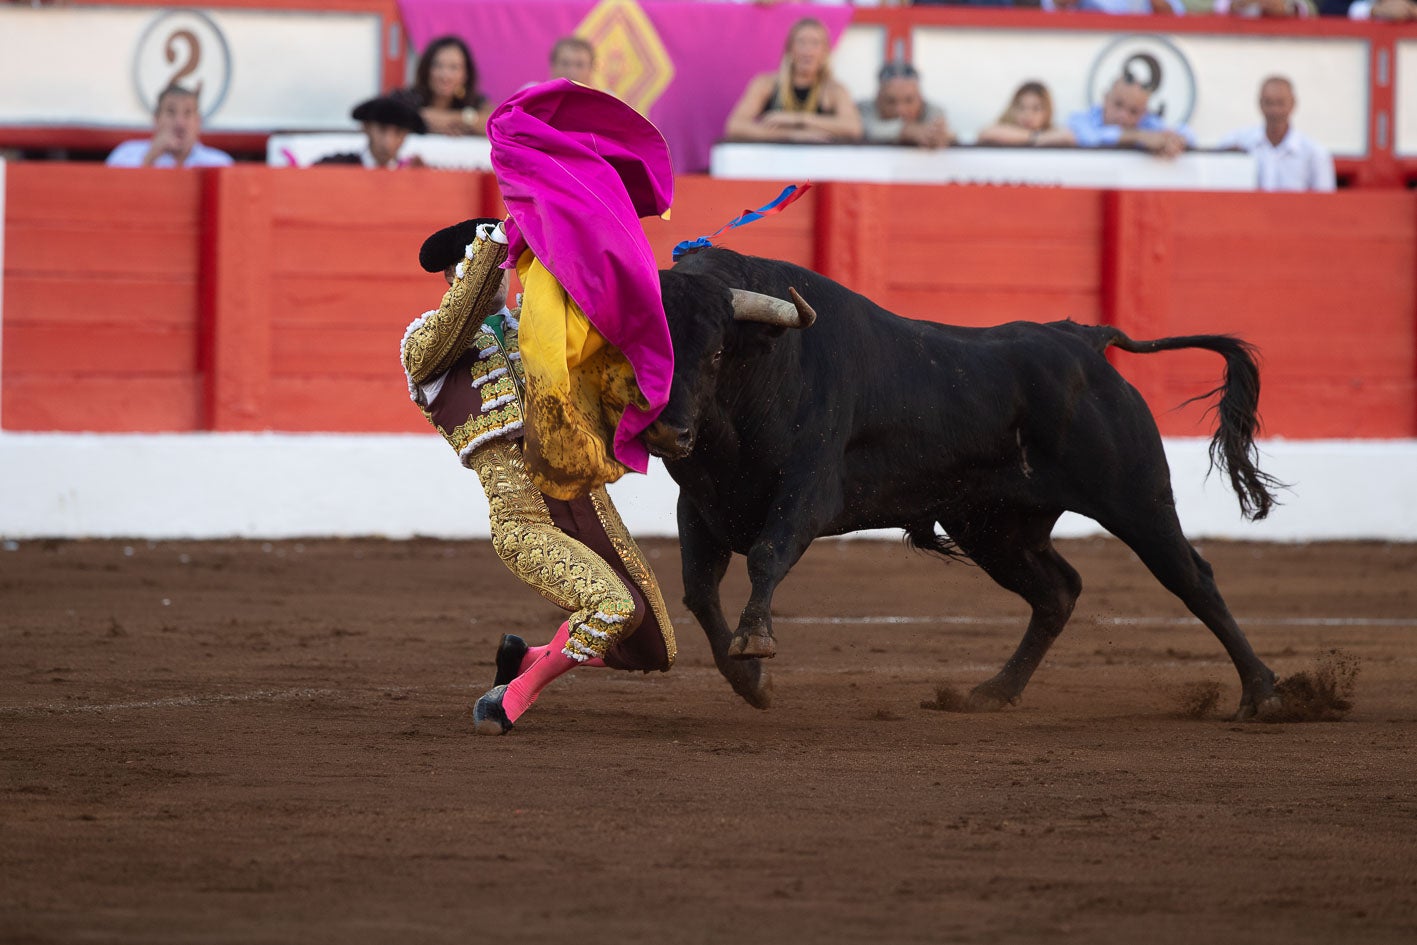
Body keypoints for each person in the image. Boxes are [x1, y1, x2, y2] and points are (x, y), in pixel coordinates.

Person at [401, 80, 680, 735]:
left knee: (650, 644)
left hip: (580, 498)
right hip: (522, 516)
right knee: (611, 608)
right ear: (460, 273)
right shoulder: (421, 344)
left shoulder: (539, 327)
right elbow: (455, 324)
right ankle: (515, 693)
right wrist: (501, 235)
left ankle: (523, 655)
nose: (507, 274)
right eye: (492, 266)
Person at [722, 17, 862, 144]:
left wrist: (797, 119)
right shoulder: (766, 84)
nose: (807, 50)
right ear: (789, 48)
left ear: (825, 51)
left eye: (815, 43)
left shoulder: (834, 90)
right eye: (801, 42)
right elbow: (735, 126)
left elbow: (853, 128)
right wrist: (791, 134)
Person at [1217, 76, 1335, 192]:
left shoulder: (1314, 153)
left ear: (1293, 104)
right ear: (1260, 104)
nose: (1274, 110)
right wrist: (1231, 159)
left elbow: (1325, 202)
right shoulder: (1237, 142)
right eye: (1269, 103)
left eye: (1280, 103)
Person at [105, 84, 233, 168]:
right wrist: (150, 158)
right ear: (156, 119)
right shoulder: (125, 154)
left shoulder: (219, 163)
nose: (180, 123)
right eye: (171, 112)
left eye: (188, 113)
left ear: (198, 122)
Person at [1066, 75, 1193, 158]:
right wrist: (1138, 136)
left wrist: (1174, 140)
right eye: (1118, 104)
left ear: (1144, 113)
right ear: (1105, 98)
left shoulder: (1148, 123)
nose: (1123, 115)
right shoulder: (1081, 120)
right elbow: (1090, 139)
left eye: (1134, 111)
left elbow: (1188, 133)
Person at [396, 35, 488, 136]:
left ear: (466, 74)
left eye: (454, 67)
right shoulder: (407, 99)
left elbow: (496, 123)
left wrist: (454, 119)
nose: (445, 76)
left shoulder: (473, 100)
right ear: (426, 69)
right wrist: (426, 126)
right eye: (438, 66)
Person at [858, 61, 952, 149]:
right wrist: (907, 131)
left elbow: (948, 135)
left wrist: (938, 137)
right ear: (878, 99)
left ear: (920, 99)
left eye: (909, 100)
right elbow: (868, 129)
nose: (900, 110)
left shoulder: (934, 112)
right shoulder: (862, 110)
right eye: (891, 101)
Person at [314, 95, 427, 168]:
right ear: (366, 128)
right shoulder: (335, 166)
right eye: (382, 129)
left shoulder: (413, 173)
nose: (388, 142)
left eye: (399, 133)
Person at [975, 80, 1077, 147]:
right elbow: (986, 133)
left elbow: (1068, 137)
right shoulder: (1001, 131)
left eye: (1036, 108)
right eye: (1022, 108)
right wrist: (1036, 137)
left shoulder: (1052, 133)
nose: (1028, 114)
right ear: (1013, 109)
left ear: (1047, 111)